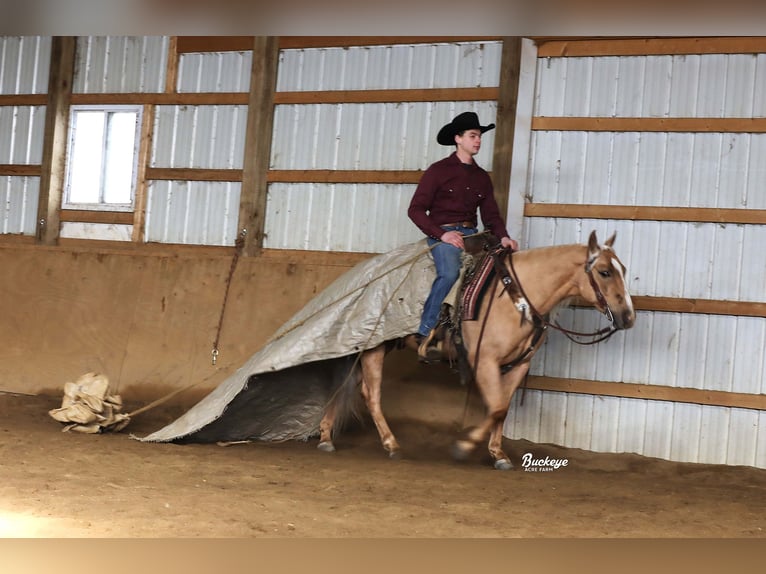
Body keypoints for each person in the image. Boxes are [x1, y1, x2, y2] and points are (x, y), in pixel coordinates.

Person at [408, 111, 518, 361]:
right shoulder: (438, 171)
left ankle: (484, 334)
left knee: (503, 273)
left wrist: (503, 237)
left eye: (479, 136)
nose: (478, 140)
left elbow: (491, 216)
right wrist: (441, 235)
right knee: (449, 273)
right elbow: (415, 210)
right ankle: (425, 331)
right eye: (473, 136)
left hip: (474, 235)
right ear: (458, 139)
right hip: (444, 234)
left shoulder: (482, 178)